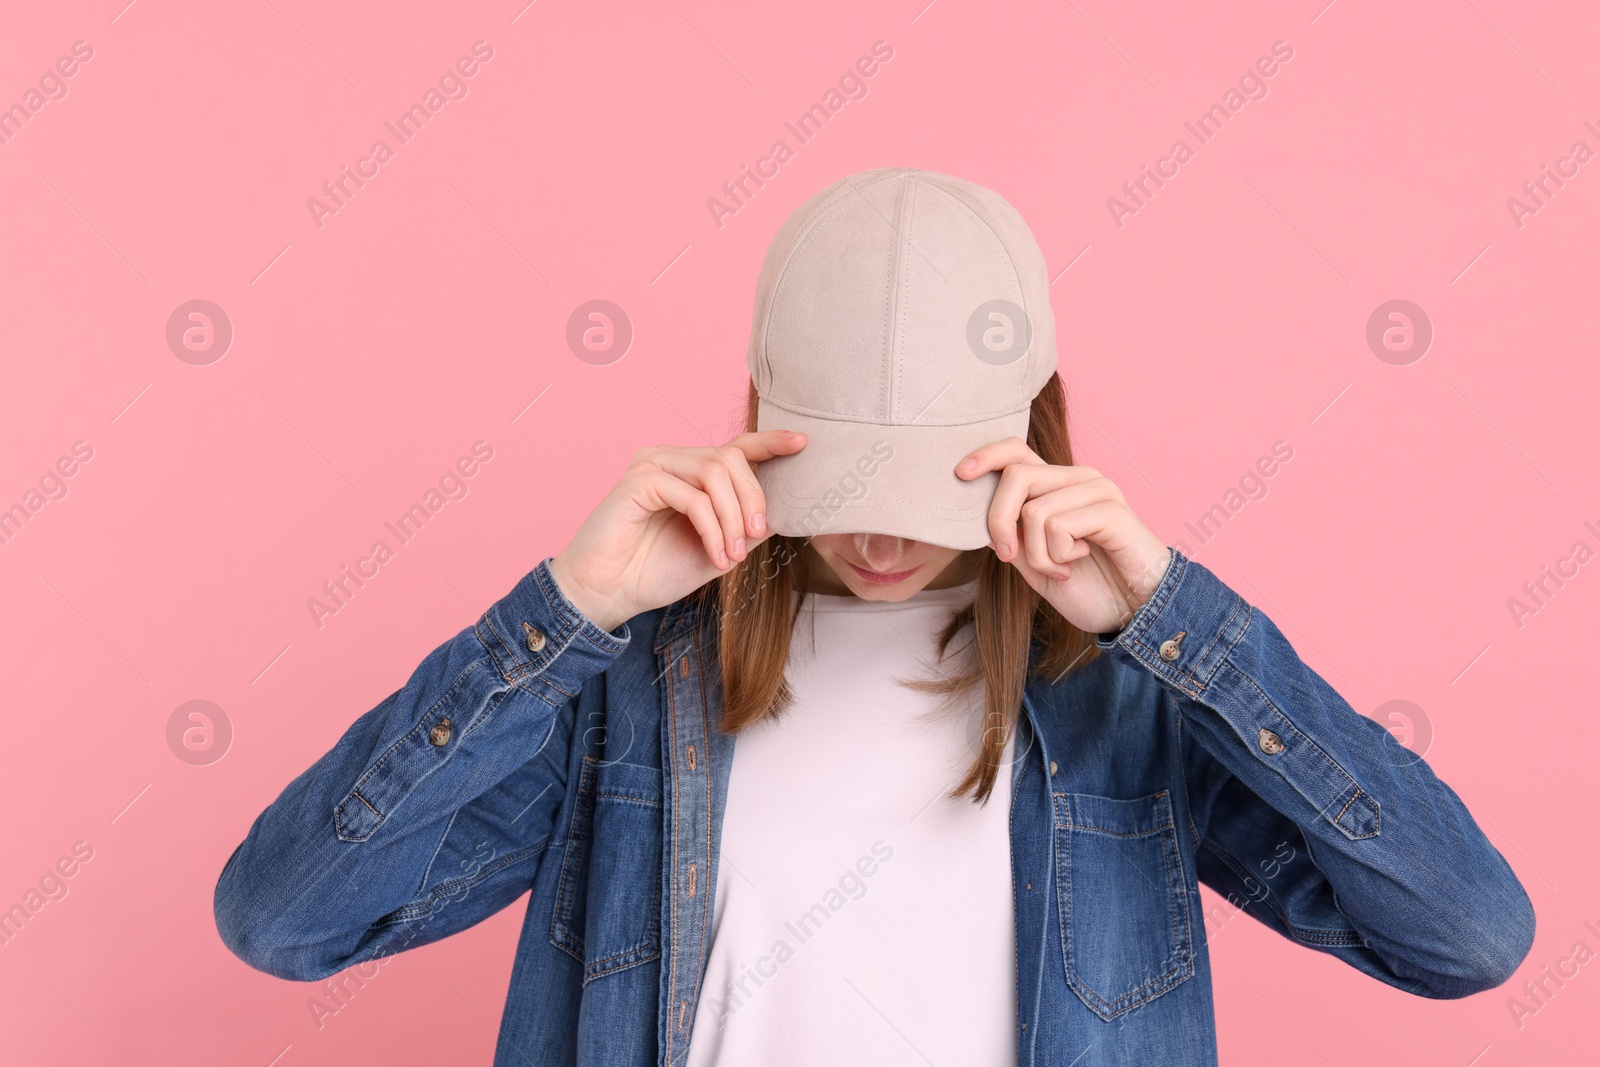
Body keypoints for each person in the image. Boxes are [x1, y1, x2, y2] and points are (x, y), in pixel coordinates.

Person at [213, 167, 1535, 1066]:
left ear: (1032, 433)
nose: (887, 533)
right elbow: (283, 921)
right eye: (849, 478)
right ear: (762, 415)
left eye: (928, 486)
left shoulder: (1123, 695)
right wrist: (564, 615)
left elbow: (1468, 938)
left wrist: (1173, 621)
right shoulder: (629, 687)